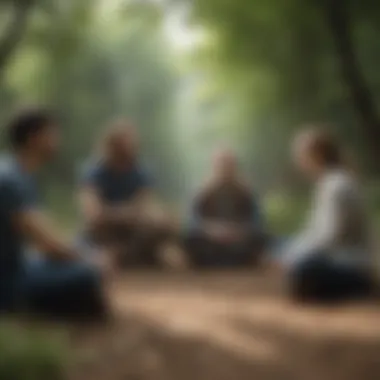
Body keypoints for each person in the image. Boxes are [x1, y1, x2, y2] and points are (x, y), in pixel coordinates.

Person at [0, 107, 108, 319]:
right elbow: (50, 245)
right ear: (34, 138)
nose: (58, 139)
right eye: (52, 134)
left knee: (82, 248)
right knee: (88, 274)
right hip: (7, 281)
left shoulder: (16, 172)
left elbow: (44, 233)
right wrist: (93, 260)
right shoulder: (11, 181)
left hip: (15, 265)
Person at [277, 127, 375, 303]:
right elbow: (314, 231)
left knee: (302, 269)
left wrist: (291, 256)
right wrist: (289, 252)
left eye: (301, 155)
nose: (299, 161)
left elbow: (330, 236)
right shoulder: (328, 182)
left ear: (317, 154)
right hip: (334, 257)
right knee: (281, 245)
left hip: (350, 264)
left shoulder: (337, 184)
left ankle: (357, 288)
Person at [78, 120, 179, 268]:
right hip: (103, 236)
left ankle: (141, 257)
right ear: (111, 146)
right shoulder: (94, 173)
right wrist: (131, 213)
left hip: (134, 234)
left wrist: (113, 212)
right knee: (103, 262)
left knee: (171, 251)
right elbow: (93, 215)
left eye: (132, 142)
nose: (131, 147)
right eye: (124, 143)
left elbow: (145, 206)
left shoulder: (141, 172)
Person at [184, 148, 266, 268]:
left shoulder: (245, 192)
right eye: (222, 165)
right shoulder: (204, 192)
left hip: (239, 240)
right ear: (214, 167)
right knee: (190, 238)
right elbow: (193, 222)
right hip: (211, 240)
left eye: (229, 165)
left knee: (260, 238)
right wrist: (213, 231)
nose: (225, 169)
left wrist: (238, 231)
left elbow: (257, 222)